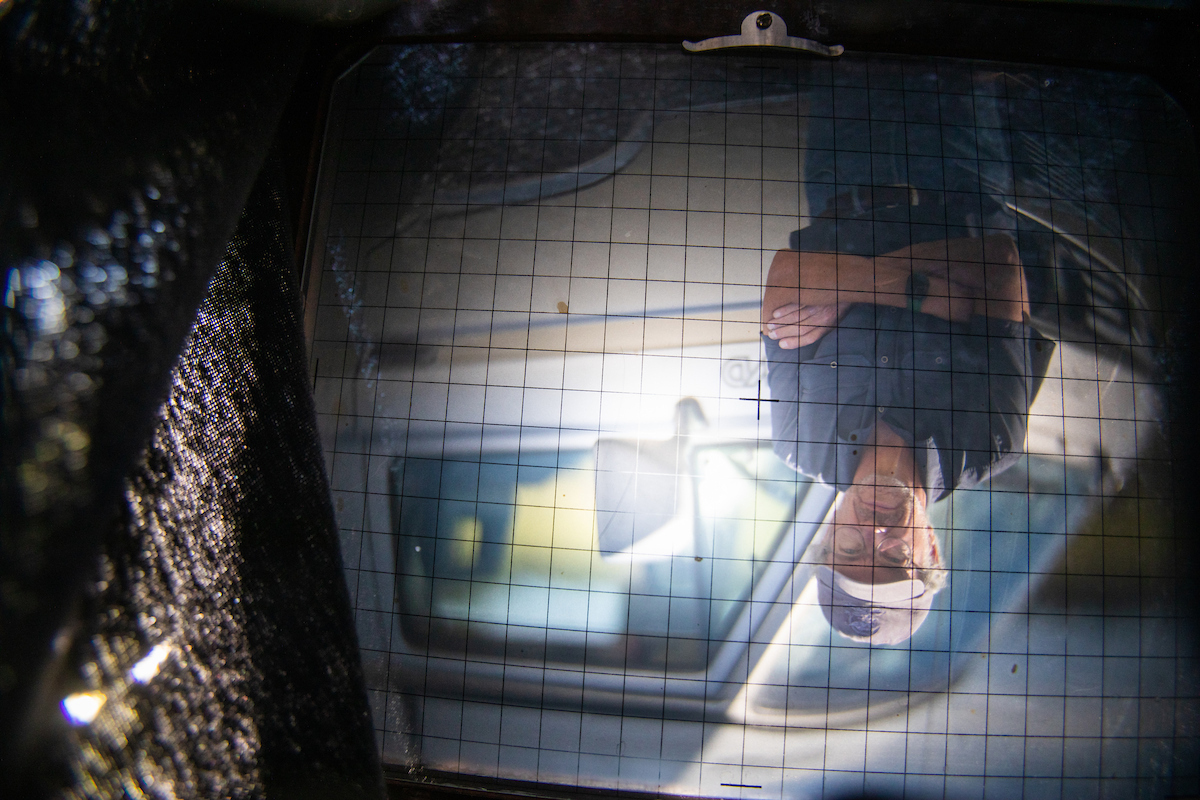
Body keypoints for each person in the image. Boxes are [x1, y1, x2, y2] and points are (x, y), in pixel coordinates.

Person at [761, 234, 1049, 645]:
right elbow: (997, 260)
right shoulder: (991, 444)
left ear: (827, 535)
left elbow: (785, 274)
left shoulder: (796, 442)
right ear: (931, 548)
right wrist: (843, 288)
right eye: (896, 558)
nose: (875, 533)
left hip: (839, 186)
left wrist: (939, 297)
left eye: (848, 550)